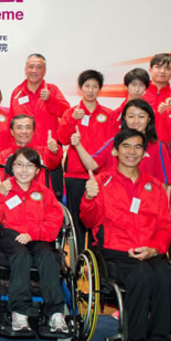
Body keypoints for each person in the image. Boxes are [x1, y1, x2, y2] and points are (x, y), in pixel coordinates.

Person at [79, 128, 171, 341]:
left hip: (150, 251)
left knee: (165, 273)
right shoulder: (101, 182)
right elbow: (88, 221)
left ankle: (161, 340)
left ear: (144, 153)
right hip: (115, 252)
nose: (132, 152)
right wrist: (89, 198)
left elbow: (166, 226)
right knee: (140, 273)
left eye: (138, 147)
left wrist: (154, 249)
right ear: (115, 150)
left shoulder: (155, 187)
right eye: (126, 146)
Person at [0, 147, 68, 334]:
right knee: (21, 255)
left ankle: (55, 312)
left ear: (37, 170)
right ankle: (19, 311)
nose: (24, 170)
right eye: (19, 164)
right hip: (9, 236)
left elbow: (54, 221)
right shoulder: (3, 189)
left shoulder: (44, 193)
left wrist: (32, 233)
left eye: (30, 166)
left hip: (37, 236)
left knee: (49, 256)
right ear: (11, 167)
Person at [57, 70, 116, 251]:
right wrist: (71, 122)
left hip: (102, 177)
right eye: (87, 86)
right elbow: (63, 139)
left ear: (100, 89)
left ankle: (96, 261)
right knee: (76, 222)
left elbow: (114, 146)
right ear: (80, 88)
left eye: (95, 86)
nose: (90, 90)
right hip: (75, 175)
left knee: (100, 221)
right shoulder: (71, 113)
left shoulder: (108, 114)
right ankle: (77, 264)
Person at [9, 54, 70, 198]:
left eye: (39, 67)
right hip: (23, 156)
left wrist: (50, 100)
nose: (34, 70)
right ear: (25, 69)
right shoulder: (17, 92)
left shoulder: (52, 90)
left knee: (52, 198)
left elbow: (66, 113)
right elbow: (11, 125)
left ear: (44, 71)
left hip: (49, 156)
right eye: (31, 66)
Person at [0, 114, 62, 182]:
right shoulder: (4, 155)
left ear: (33, 131)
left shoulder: (43, 152)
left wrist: (54, 152)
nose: (24, 131)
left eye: (28, 127)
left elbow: (54, 164)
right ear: (12, 132)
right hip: (12, 192)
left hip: (39, 192)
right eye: (19, 128)